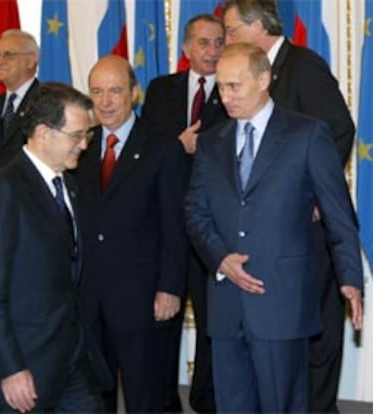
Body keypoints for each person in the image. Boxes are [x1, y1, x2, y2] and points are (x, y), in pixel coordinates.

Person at [185, 42, 363, 413]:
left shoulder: (307, 134)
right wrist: (220, 258)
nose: (226, 96)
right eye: (221, 87)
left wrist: (350, 278)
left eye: (235, 86)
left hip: (282, 303)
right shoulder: (212, 143)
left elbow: (337, 212)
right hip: (226, 304)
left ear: (264, 79)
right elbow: (195, 211)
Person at [222, 1, 355, 411]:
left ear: (258, 26)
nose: (225, 40)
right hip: (263, 233)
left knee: (314, 333)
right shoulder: (246, 76)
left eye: (230, 31)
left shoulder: (303, 65)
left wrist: (314, 195)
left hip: (305, 233)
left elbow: (337, 129)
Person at [0, 82, 111, 413]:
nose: (85, 144)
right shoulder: (5, 190)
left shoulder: (68, 185)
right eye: (76, 135)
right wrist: (10, 369)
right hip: (25, 368)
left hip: (74, 359)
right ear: (43, 133)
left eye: (87, 134)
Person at [76, 55, 189, 413]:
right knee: (94, 397)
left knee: (147, 398)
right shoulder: (81, 146)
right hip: (89, 299)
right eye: (97, 92)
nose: (105, 101)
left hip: (143, 301)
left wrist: (170, 287)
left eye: (114, 91)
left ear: (134, 93)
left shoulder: (163, 147)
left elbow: (175, 225)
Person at [142, 14, 227, 413]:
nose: (213, 52)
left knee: (213, 328)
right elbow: (146, 151)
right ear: (187, 49)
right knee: (162, 323)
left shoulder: (233, 90)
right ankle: (163, 403)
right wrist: (177, 147)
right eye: (205, 43)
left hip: (213, 229)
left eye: (219, 43)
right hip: (165, 228)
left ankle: (206, 401)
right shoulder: (161, 90)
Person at [0, 29, 40, 186]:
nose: (0, 61)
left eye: (8, 55)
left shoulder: (47, 102)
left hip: (31, 203)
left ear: (31, 60)